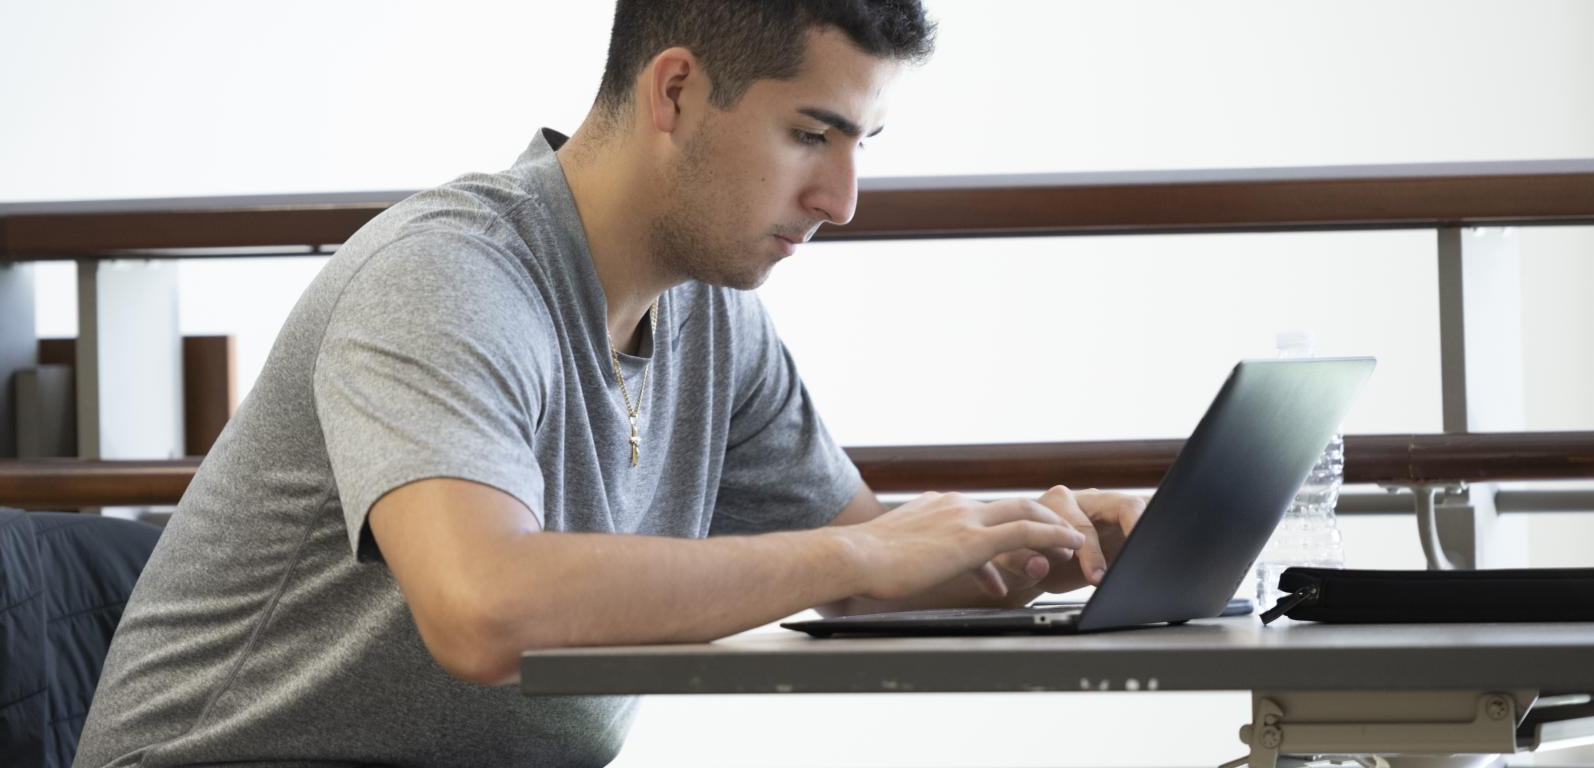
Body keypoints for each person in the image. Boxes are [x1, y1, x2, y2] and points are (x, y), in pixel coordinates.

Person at [75, 2, 1147, 766]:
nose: (842, 196)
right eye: (810, 135)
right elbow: (484, 612)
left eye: (859, 143)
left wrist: (1034, 542)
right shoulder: (449, 275)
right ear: (676, 91)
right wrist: (855, 550)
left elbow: (863, 575)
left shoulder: (716, 317)